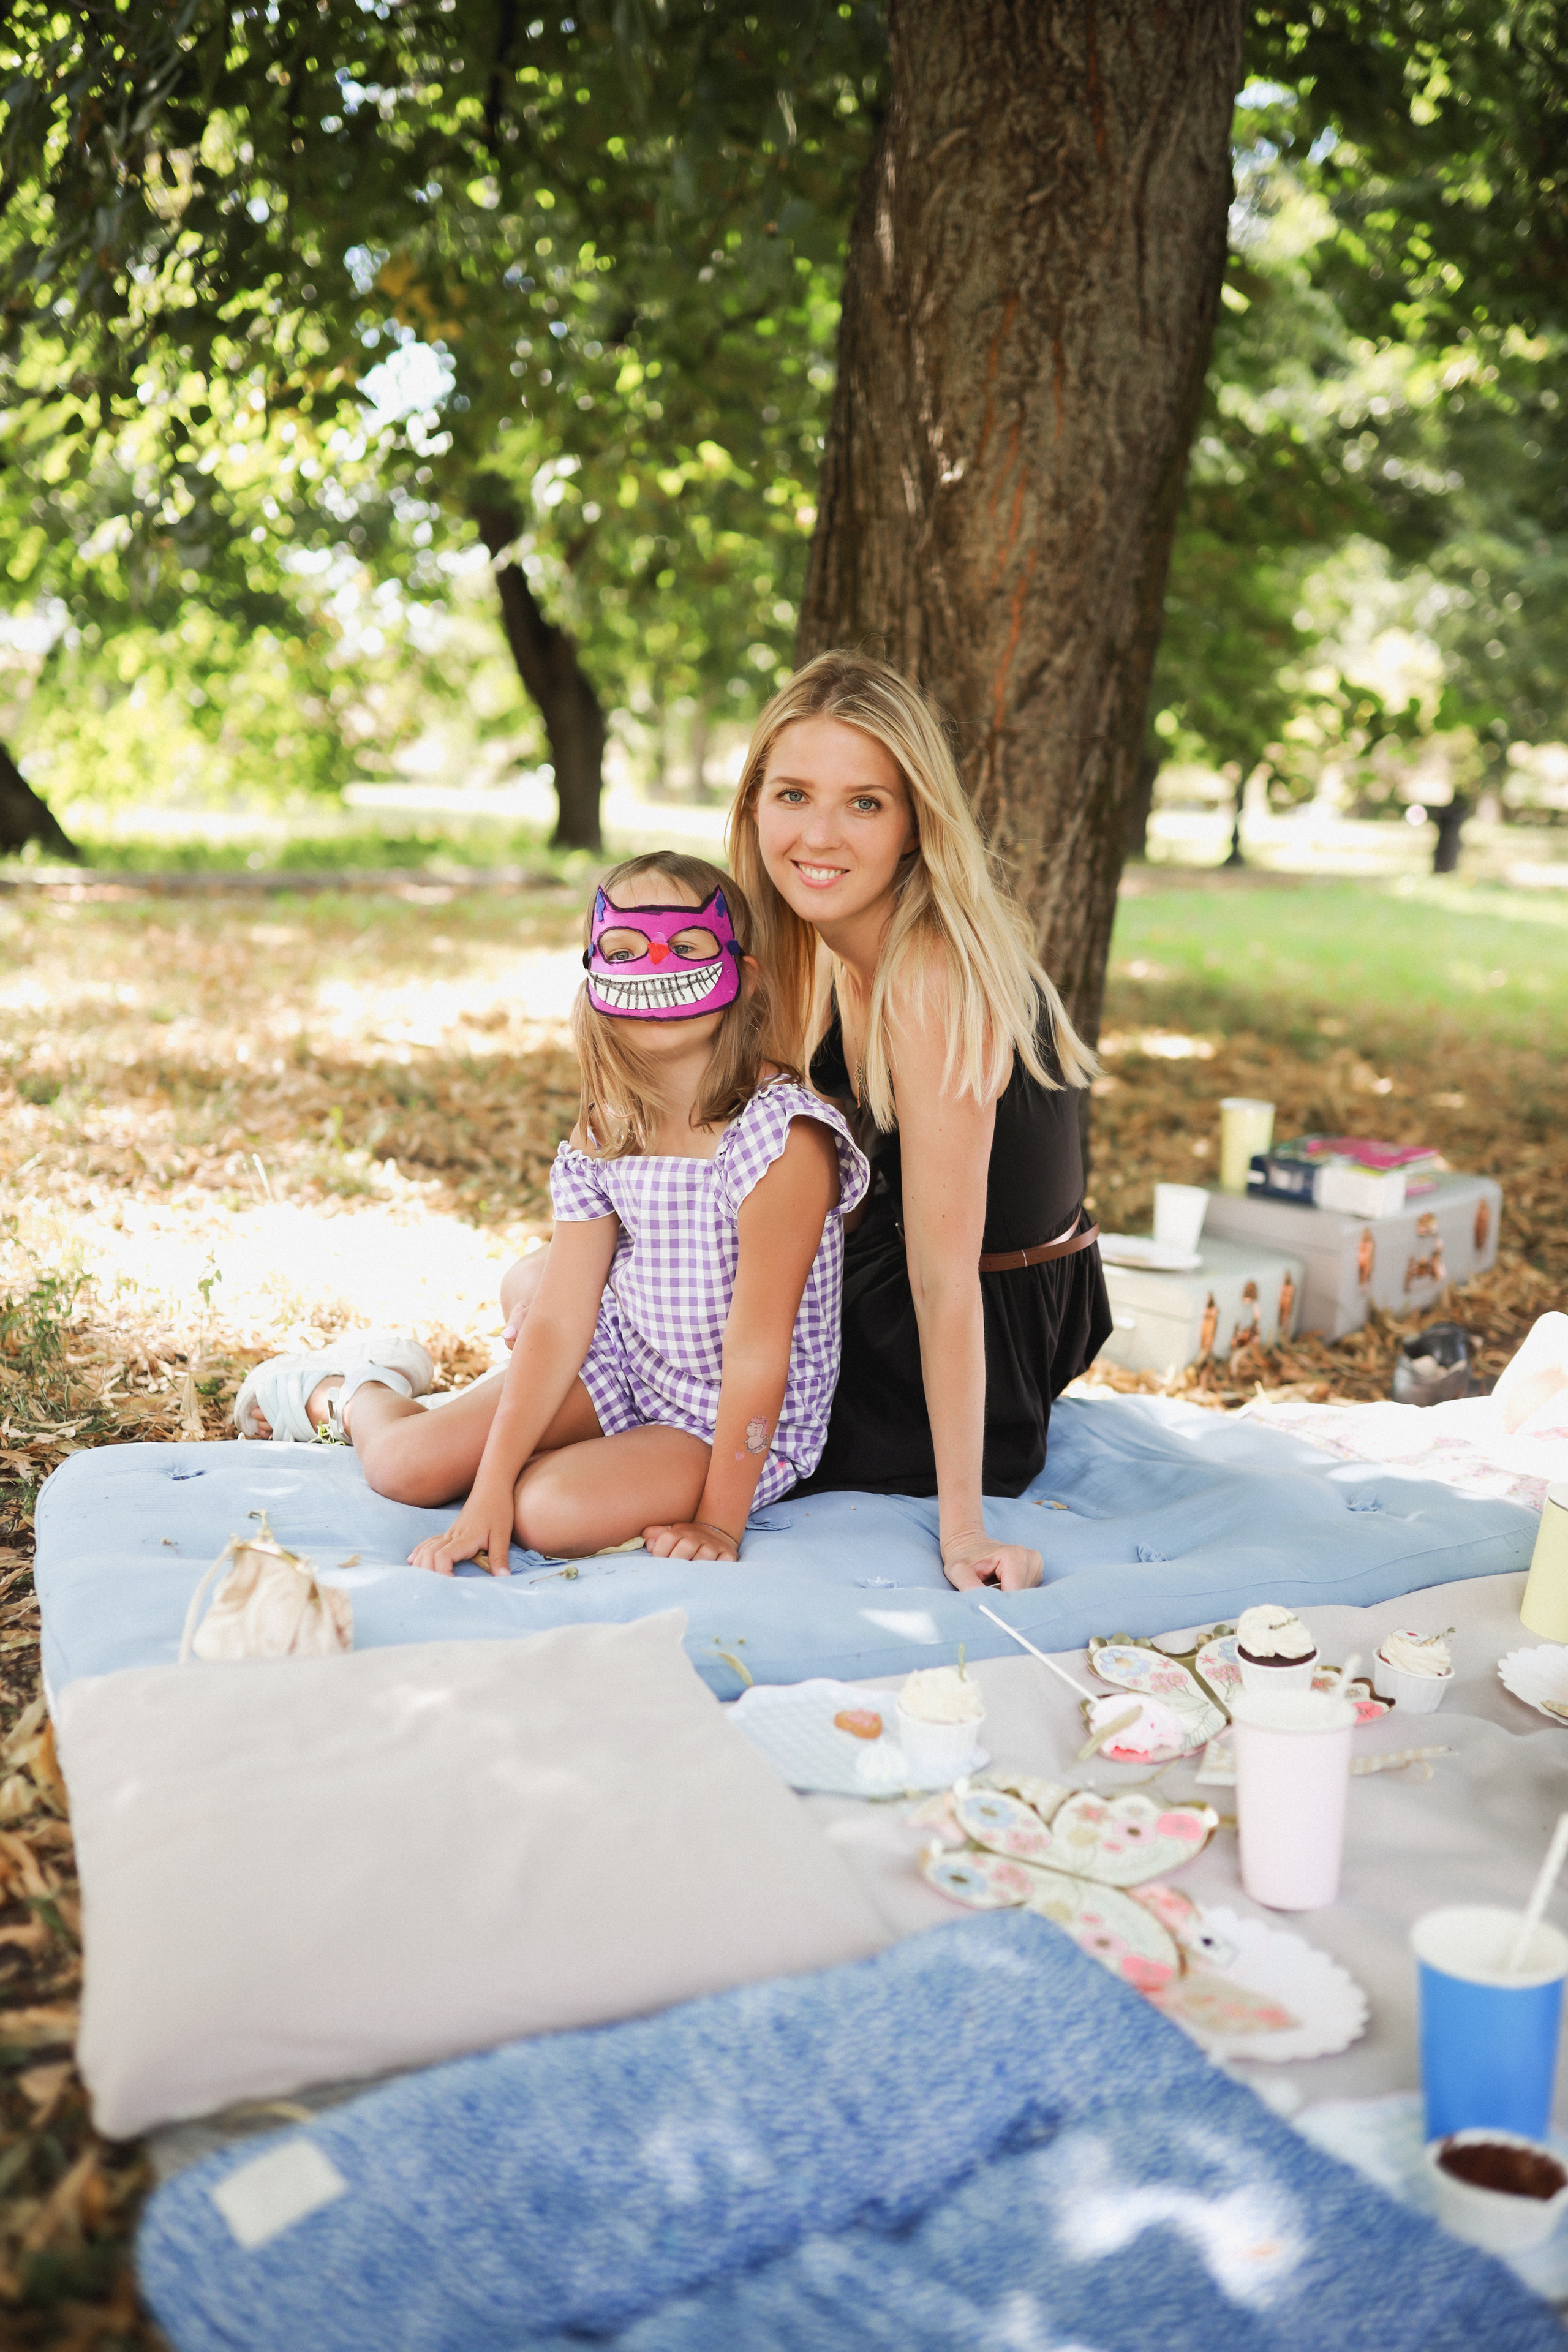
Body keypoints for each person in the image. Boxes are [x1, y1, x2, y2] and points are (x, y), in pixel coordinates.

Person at [233, 853, 868, 1573]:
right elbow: (564, 1319)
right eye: (622, 951)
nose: (654, 967)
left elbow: (758, 1351)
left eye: (686, 946)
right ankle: (349, 1390)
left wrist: (719, 1524)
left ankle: (546, 1449)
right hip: (625, 1364)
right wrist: (486, 1490)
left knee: (548, 1513)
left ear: (743, 977)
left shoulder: (779, 1139)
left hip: (718, 1420)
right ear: (594, 976)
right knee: (407, 1468)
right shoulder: (608, 1125)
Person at [727, 650, 1112, 1594]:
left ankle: (370, 1394)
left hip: (965, 1340)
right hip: (882, 1286)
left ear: (913, 826)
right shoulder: (830, 948)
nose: (820, 834)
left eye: (864, 803)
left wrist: (964, 1532)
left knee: (654, 1424)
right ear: (754, 806)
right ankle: (381, 1399)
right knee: (586, 1323)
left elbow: (946, 1281)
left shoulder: (929, 973)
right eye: (793, 795)